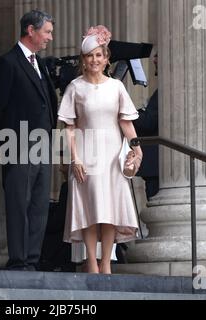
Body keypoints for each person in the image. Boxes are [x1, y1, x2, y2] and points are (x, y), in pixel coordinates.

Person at [58, 25, 143, 274]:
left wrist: (137, 149)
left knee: (109, 210)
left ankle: (106, 262)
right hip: (86, 154)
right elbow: (68, 128)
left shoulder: (116, 86)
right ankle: (91, 262)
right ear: (83, 60)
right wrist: (75, 159)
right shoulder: (75, 87)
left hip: (112, 155)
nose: (94, 60)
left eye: (99, 55)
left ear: (106, 59)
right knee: (89, 208)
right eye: (89, 56)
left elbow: (126, 122)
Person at [0, 10, 58, 271]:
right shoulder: (8, 63)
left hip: (42, 144)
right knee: (19, 204)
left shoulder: (39, 63)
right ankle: (18, 261)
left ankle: (32, 260)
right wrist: (10, 142)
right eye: (47, 31)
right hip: (18, 145)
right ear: (31, 30)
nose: (50, 36)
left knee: (39, 205)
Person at [133, 52, 159, 200]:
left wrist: (128, 113)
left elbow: (149, 122)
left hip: (157, 167)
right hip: (155, 168)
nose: (154, 59)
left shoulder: (165, 92)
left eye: (158, 55)